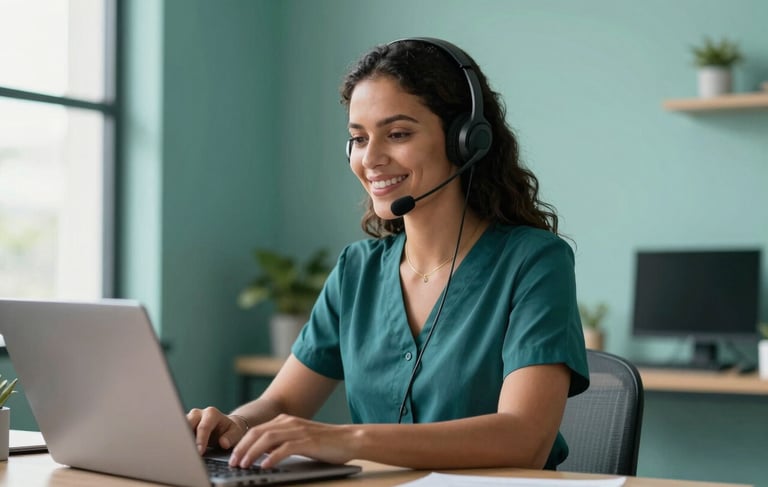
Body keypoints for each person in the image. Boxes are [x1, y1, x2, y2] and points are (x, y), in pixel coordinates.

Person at [188, 38, 589, 471]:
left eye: (397, 134)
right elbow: (282, 399)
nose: (371, 158)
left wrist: (346, 439)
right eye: (358, 139)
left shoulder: (534, 261)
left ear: (465, 141)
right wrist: (236, 424)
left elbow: (523, 437)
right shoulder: (356, 271)